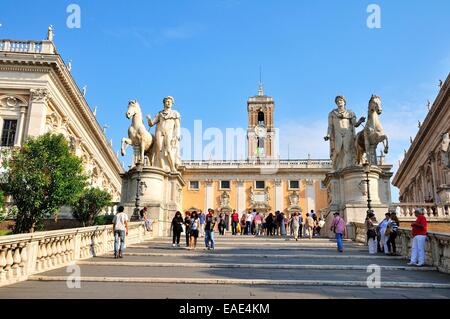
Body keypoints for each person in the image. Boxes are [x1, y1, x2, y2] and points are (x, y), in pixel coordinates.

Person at [324, 95, 365, 170]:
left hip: (348, 132)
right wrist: (328, 134)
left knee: (347, 149)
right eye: (337, 101)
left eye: (341, 100)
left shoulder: (350, 112)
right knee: (337, 150)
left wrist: (360, 121)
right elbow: (330, 126)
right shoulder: (332, 113)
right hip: (338, 133)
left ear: (344, 102)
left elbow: (354, 124)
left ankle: (346, 167)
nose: (339, 102)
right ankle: (334, 166)